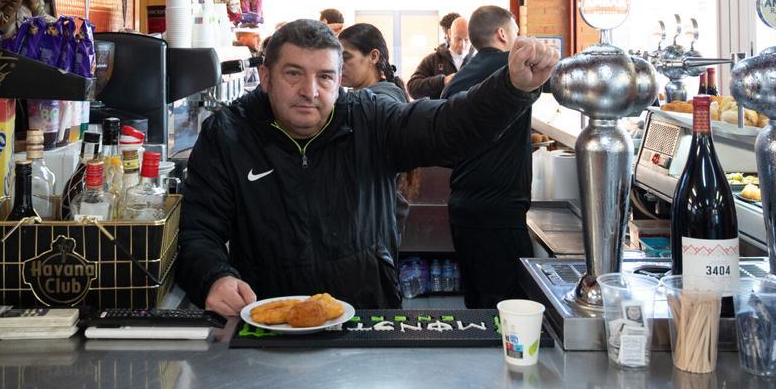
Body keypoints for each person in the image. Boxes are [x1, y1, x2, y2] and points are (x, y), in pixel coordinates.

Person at [177, 19, 559, 317]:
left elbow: (446, 127)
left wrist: (511, 88)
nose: (310, 90)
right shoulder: (229, 134)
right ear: (265, 77)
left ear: (339, 79)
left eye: (325, 76)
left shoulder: (370, 119)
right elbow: (198, 231)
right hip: (267, 317)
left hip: (367, 317)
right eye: (293, 73)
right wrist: (214, 277)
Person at [443, 5, 540, 308]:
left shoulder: (459, 78)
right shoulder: (514, 72)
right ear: (502, 33)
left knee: (478, 305)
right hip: (499, 214)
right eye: (515, 31)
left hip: (463, 208)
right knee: (509, 309)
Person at [338, 23, 416, 249]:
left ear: (373, 57)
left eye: (346, 58)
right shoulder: (367, 97)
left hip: (372, 226)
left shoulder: (380, 102)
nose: (339, 66)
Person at [407, 16, 473, 100]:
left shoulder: (478, 60)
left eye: (466, 40)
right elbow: (412, 88)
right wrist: (442, 81)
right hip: (441, 108)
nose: (462, 45)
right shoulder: (432, 60)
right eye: (458, 39)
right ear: (449, 34)